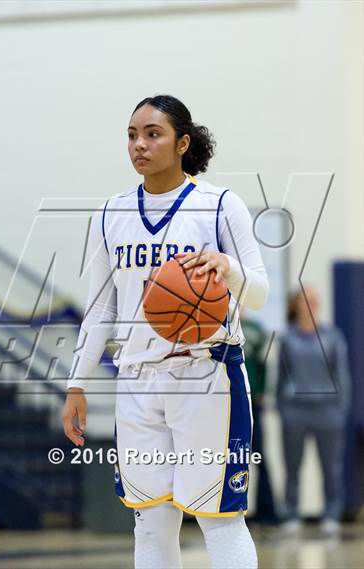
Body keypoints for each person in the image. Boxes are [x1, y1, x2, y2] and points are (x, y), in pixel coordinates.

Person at [63, 95, 269, 569]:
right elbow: (99, 310)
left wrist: (228, 267)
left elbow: (258, 292)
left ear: (182, 143)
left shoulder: (219, 205)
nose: (139, 144)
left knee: (219, 517)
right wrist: (76, 383)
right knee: (150, 520)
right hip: (136, 379)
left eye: (152, 134)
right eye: (132, 135)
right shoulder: (110, 214)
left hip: (206, 374)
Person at [276, 286, 351, 537]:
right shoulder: (287, 338)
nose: (310, 303)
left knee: (331, 467)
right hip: (295, 412)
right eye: (305, 298)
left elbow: (342, 376)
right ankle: (291, 514)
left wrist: (341, 411)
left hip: (327, 413)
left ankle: (331, 513)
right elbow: (281, 378)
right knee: (292, 466)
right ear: (296, 304)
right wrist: (283, 410)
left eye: (314, 298)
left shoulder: (333, 337)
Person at [241, 312, 276, 524]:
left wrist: (262, 390)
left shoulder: (255, 329)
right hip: (228, 403)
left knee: (259, 456)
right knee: (233, 458)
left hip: (252, 402)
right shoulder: (217, 325)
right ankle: (233, 510)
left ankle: (267, 511)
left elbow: (264, 363)